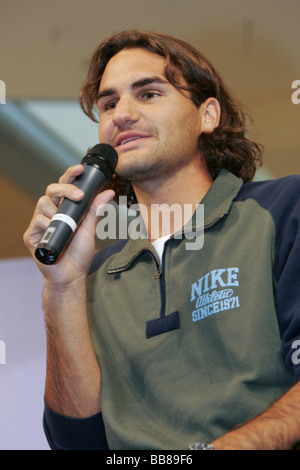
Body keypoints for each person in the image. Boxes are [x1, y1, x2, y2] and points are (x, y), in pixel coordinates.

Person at [23, 30, 300, 450]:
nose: (122, 114)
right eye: (109, 103)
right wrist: (62, 287)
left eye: (148, 94)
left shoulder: (283, 209)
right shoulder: (92, 274)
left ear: (208, 115)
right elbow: (77, 442)